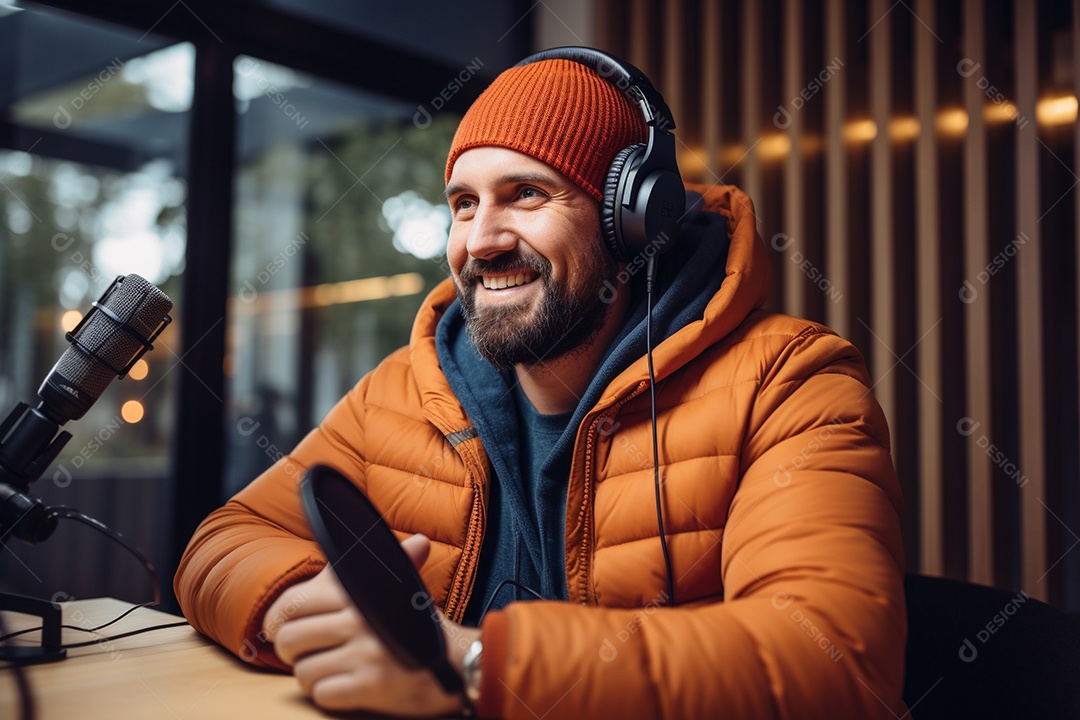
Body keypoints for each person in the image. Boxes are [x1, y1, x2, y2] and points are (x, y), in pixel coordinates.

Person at [175, 47, 907, 719]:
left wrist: (471, 663)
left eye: (526, 193)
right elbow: (224, 540)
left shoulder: (790, 381)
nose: (482, 240)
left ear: (632, 222)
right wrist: (300, 606)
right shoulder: (405, 387)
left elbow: (838, 663)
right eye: (464, 203)